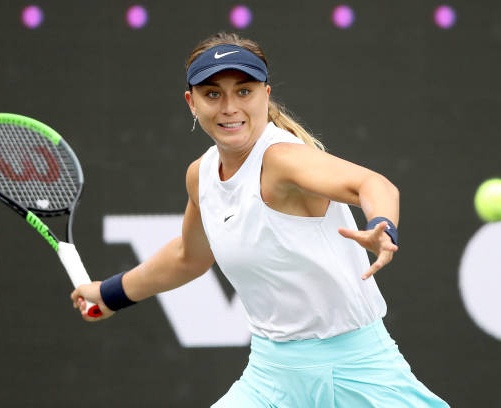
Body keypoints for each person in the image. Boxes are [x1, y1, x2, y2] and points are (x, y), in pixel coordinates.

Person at [71, 32, 450, 408]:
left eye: (244, 91)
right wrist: (111, 294)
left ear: (265, 95)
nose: (229, 107)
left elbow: (372, 183)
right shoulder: (200, 174)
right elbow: (190, 256)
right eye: (213, 93)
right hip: (270, 378)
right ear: (192, 102)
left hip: (358, 373)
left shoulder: (282, 159)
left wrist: (382, 223)